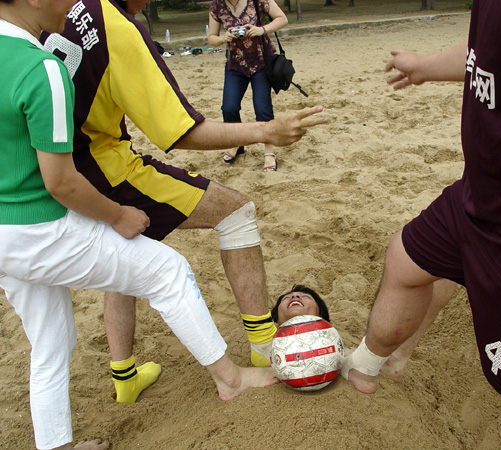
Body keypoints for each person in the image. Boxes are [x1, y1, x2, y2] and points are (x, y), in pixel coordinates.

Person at [0, 0, 278, 448]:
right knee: (166, 270)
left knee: (52, 343)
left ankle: (59, 442)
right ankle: (231, 378)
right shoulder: (41, 67)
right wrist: (118, 214)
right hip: (42, 224)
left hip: (3, 235)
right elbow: (60, 182)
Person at [39, 0, 326, 405]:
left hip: (48, 167)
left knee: (127, 253)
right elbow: (180, 131)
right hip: (100, 168)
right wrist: (267, 131)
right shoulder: (119, 26)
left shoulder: (68, 7)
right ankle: (262, 343)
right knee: (236, 211)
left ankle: (124, 377)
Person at [342, 1, 501, 448]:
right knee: (405, 259)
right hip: (479, 196)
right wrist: (425, 67)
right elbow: (496, 52)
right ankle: (367, 364)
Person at [208, 0, 287, 172]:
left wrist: (262, 29)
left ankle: (269, 152)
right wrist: (223, 38)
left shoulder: (259, 1)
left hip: (261, 63)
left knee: (262, 108)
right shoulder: (217, 5)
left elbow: (282, 18)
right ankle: (236, 143)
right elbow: (211, 38)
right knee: (228, 108)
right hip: (235, 65)